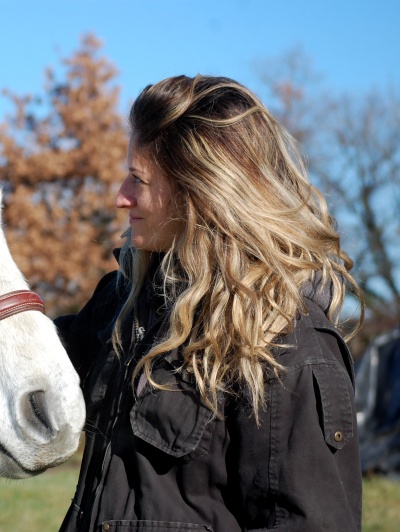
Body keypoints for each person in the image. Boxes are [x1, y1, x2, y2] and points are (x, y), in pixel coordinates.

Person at [56, 75, 364, 531]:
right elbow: (24, 373)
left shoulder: (290, 346)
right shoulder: (123, 304)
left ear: (199, 193)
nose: (121, 197)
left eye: (138, 179)